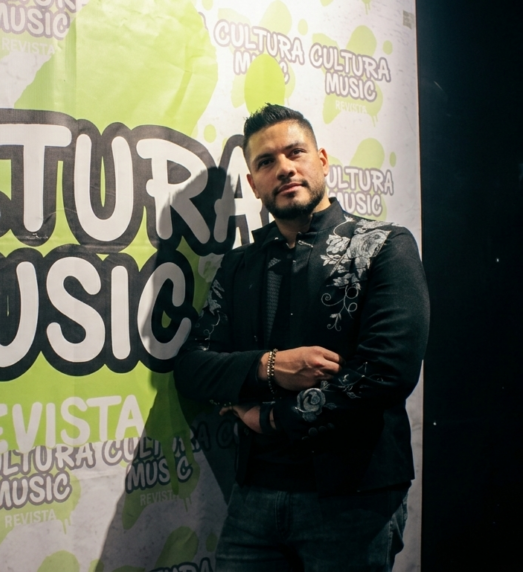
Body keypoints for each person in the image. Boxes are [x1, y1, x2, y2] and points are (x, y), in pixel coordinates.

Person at [174, 104, 429, 572]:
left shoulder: (383, 246)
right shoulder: (239, 266)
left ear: (322, 160)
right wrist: (270, 366)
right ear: (253, 184)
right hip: (254, 497)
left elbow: (388, 373)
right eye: (266, 161)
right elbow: (191, 369)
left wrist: (271, 418)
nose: (284, 168)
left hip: (355, 498)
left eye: (295, 152)